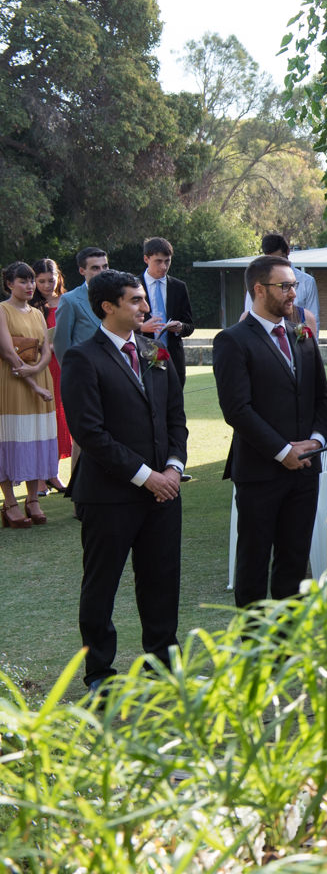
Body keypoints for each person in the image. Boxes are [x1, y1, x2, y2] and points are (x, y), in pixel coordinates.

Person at [60, 269, 187, 696]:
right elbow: (89, 433)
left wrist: (171, 467)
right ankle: (99, 673)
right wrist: (145, 476)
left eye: (142, 299)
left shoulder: (156, 352)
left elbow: (175, 419)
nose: (145, 307)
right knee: (102, 585)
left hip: (164, 492)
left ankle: (164, 664)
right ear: (107, 307)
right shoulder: (82, 358)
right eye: (135, 300)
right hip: (109, 496)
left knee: (162, 580)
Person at [213, 255, 327, 608]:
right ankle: (254, 653)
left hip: (305, 471)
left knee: (294, 564)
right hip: (260, 472)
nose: (293, 294)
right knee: (253, 567)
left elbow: (323, 399)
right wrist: (283, 451)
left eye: (294, 286)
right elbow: (237, 410)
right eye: (285, 286)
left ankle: (287, 647)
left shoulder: (302, 335)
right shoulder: (232, 341)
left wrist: (315, 441)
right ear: (259, 290)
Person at [0, 262, 59, 527]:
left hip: (37, 374)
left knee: (37, 434)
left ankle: (33, 499)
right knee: (10, 433)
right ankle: (10, 501)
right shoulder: (2, 310)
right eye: (23, 281)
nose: (29, 286)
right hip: (12, 381)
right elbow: (7, 350)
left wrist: (36, 369)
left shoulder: (37, 312)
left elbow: (47, 347)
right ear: (10, 284)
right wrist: (32, 381)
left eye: (31, 281)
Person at [30, 258, 69, 490]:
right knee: (43, 420)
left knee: (62, 420)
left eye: (50, 280)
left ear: (58, 277)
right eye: (41, 281)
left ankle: (52, 473)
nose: (46, 285)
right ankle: (40, 477)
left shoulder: (68, 301)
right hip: (41, 368)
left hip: (65, 365)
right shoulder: (30, 306)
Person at [139, 237, 194, 389]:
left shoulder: (179, 287)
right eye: (158, 261)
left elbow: (190, 326)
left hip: (173, 359)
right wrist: (142, 328)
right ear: (146, 259)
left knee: (175, 408)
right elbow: (121, 325)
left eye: (167, 261)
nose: (163, 266)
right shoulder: (133, 285)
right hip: (143, 358)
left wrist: (180, 327)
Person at [240, 233, 321, 333]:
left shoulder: (307, 282)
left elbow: (314, 318)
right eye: (269, 259)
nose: (292, 294)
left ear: (287, 252)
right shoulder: (259, 283)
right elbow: (250, 314)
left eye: (293, 285)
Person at [53, 247, 108, 363]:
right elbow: (61, 343)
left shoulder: (119, 295)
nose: (102, 272)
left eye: (105, 266)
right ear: (82, 271)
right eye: (95, 268)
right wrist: (70, 373)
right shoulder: (70, 300)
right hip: (85, 369)